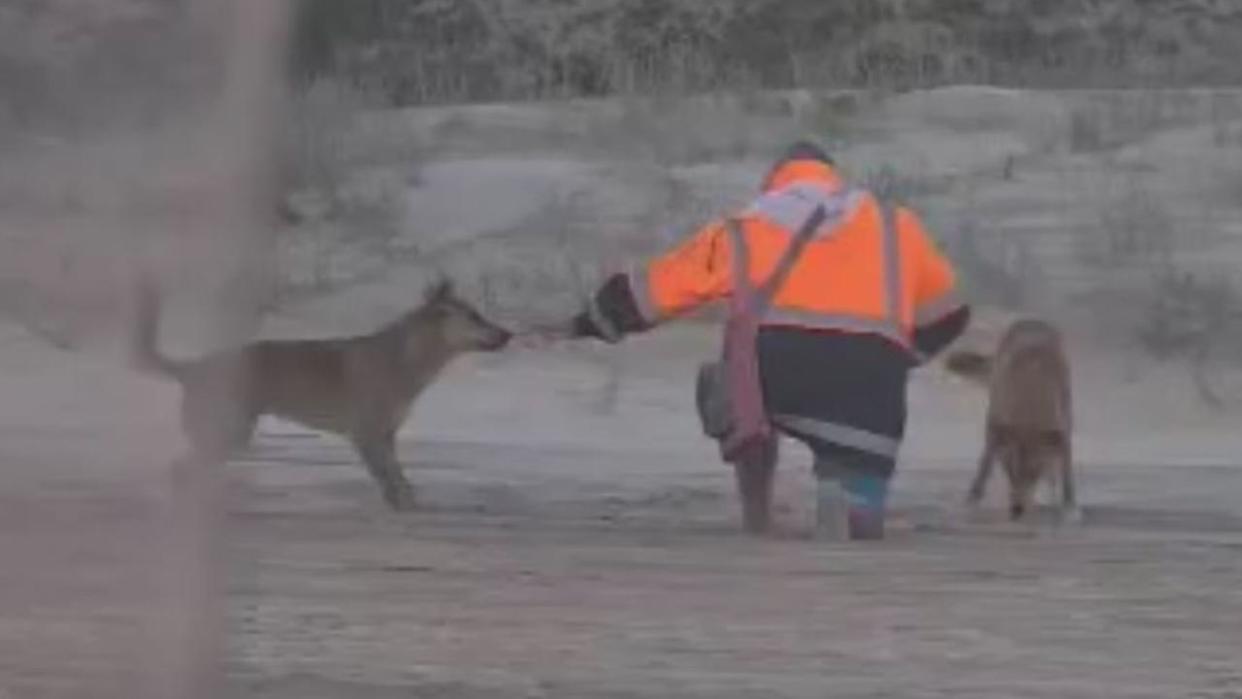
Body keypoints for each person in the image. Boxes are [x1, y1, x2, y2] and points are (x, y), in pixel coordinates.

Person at [568, 141, 970, 540]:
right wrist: (901, 360)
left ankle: (758, 515)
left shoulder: (748, 225)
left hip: (780, 373)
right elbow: (952, 313)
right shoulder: (894, 223)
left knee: (735, 368)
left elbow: (653, 295)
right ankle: (855, 512)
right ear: (833, 176)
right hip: (871, 385)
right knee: (860, 477)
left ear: (774, 181)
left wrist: (590, 322)